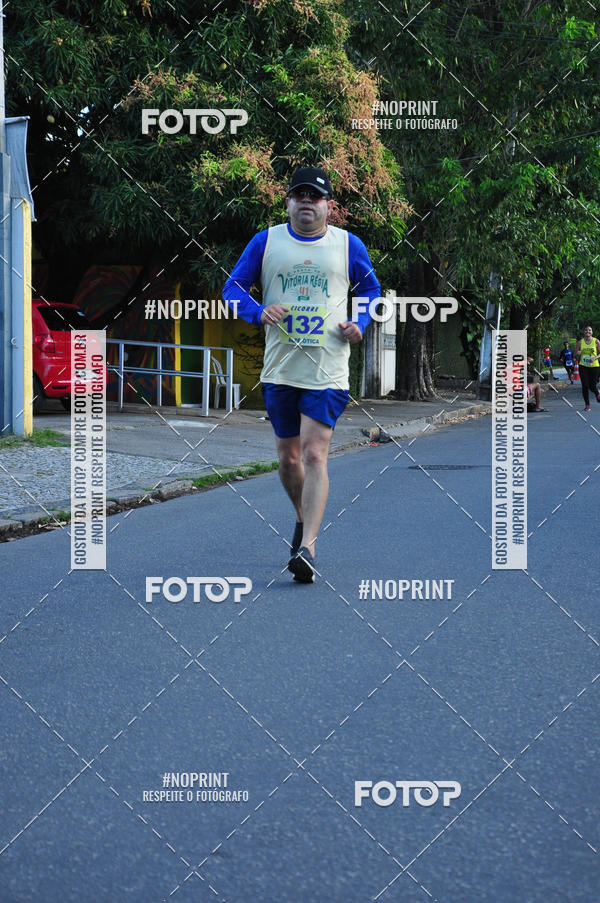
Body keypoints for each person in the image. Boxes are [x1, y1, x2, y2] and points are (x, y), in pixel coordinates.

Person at [222, 167, 381, 582]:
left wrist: (359, 322)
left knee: (314, 453)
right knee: (288, 458)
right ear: (288, 202)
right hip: (280, 368)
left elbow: (369, 290)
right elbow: (232, 288)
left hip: (327, 368)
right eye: (299, 195)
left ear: (329, 205)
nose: (307, 202)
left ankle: (308, 547)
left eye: (316, 196)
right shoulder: (266, 241)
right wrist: (258, 311)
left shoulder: (348, 244)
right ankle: (300, 517)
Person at [575, 325, 600, 411]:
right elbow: (575, 355)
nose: (588, 331)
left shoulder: (596, 341)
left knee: (592, 386)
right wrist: (577, 354)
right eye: (586, 330)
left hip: (594, 366)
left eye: (589, 330)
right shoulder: (580, 342)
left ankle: (597, 394)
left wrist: (595, 358)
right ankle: (587, 405)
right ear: (584, 332)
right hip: (583, 366)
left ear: (592, 332)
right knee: (585, 385)